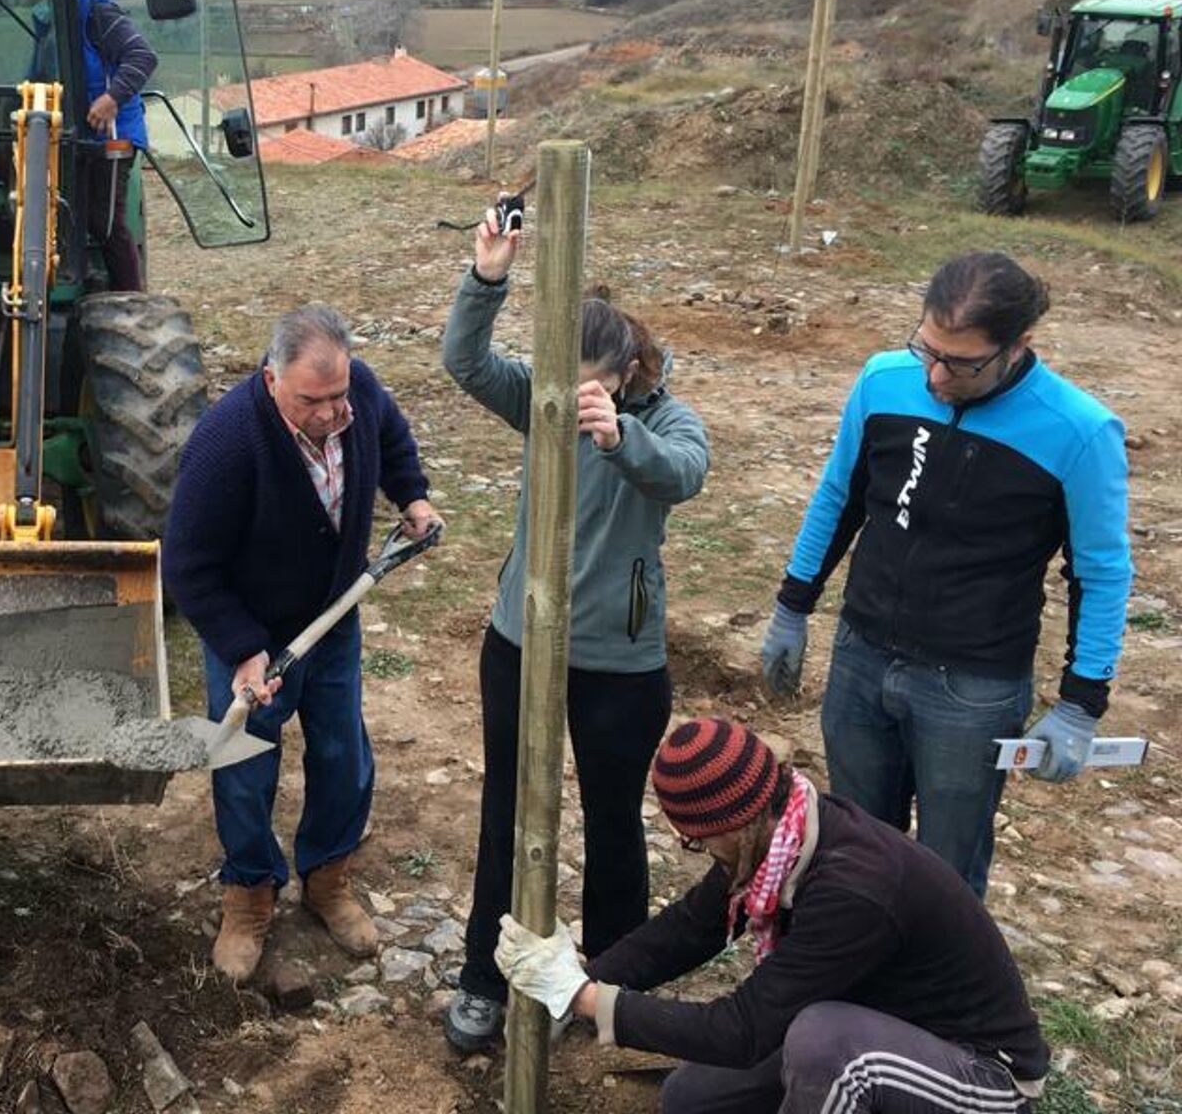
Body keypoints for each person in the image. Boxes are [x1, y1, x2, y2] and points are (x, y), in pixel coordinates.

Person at [759, 250, 1132, 896]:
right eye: (926, 348)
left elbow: (1100, 574)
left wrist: (1081, 702)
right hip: (861, 657)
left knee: (944, 877)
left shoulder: (1079, 431)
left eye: (960, 363)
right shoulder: (883, 382)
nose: (933, 375)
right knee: (853, 854)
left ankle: (935, 996)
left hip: (971, 687)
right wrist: (794, 606)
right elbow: (837, 499)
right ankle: (850, 985)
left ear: (1018, 346)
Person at [441, 209, 711, 1053]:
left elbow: (685, 474)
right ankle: (488, 977)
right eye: (563, 381)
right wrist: (486, 279)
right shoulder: (541, 393)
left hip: (619, 667)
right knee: (507, 814)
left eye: (590, 386)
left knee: (611, 823)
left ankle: (611, 990)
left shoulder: (663, 421)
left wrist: (621, 436)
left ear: (627, 373)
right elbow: (465, 362)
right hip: (520, 643)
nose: (570, 399)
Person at [496, 717, 1049, 1114]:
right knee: (691, 1099)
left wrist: (584, 999)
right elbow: (694, 926)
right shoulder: (777, 833)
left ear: (736, 821)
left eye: (696, 840)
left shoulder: (855, 889)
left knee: (823, 1044)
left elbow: (743, 1030)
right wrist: (585, 970)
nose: (700, 850)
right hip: (884, 1025)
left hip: (981, 1076)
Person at [162, 303, 440, 982]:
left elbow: (392, 437)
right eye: (312, 400)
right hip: (251, 633)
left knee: (344, 752)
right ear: (271, 378)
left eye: (338, 394)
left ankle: (327, 876)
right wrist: (243, 647)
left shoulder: (359, 392)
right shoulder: (227, 442)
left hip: (333, 619)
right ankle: (250, 892)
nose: (330, 412)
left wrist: (414, 499)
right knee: (244, 765)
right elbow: (187, 564)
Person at [15, 0, 154, 292]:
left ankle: (129, 296)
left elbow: (142, 57)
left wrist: (112, 100)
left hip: (111, 135)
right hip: (66, 134)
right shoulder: (49, 25)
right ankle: (76, 277)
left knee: (104, 222)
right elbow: (40, 77)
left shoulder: (97, 13)